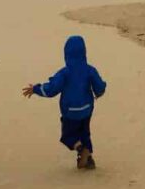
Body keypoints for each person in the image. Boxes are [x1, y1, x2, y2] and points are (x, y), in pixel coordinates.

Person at [22, 35, 107, 170]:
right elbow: (100, 86)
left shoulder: (64, 73)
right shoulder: (90, 70)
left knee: (68, 136)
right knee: (85, 133)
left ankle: (80, 149)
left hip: (70, 111)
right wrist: (99, 92)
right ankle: (89, 159)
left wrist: (36, 89)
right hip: (87, 109)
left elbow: (52, 89)